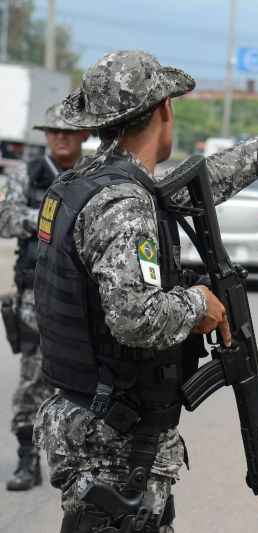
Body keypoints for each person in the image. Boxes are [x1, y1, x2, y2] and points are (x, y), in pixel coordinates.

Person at [32, 50, 258, 532]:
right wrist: (198, 303)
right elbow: (136, 317)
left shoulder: (92, 184)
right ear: (164, 109)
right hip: (113, 440)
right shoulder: (123, 204)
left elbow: (204, 182)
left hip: (96, 419)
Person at [0, 103, 90, 491]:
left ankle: (76, 461)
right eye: (53, 131)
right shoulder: (27, 174)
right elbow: (6, 219)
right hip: (37, 299)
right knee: (33, 381)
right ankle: (27, 458)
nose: (60, 137)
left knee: (84, 384)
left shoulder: (95, 174)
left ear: (85, 135)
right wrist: (57, 219)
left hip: (86, 300)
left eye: (68, 131)